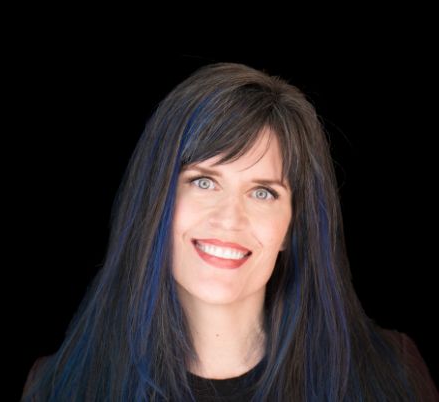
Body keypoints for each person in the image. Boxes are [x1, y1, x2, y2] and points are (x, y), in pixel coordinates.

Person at [23, 63, 437, 401]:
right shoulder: (60, 387)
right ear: (155, 202)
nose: (230, 219)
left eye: (262, 192)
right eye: (204, 181)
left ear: (293, 227)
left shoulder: (391, 375)